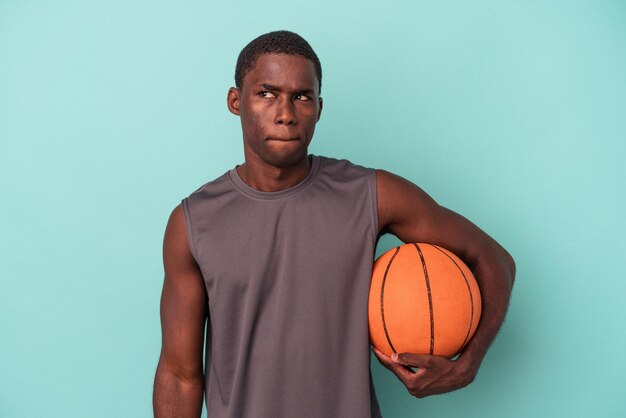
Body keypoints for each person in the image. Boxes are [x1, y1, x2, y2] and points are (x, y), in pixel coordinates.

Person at [153, 30, 515, 418]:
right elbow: (179, 374)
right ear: (235, 101)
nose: (286, 113)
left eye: (302, 96)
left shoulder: (371, 194)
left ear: (319, 107)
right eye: (267, 93)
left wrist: (468, 364)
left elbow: (493, 260)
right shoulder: (192, 222)